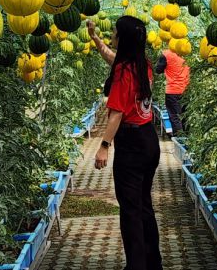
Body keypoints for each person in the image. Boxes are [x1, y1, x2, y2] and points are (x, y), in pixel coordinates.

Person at [88, 17, 163, 270]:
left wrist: (104, 146)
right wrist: (96, 40)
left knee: (130, 211)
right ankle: (153, 264)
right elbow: (113, 58)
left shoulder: (125, 71)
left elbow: (117, 113)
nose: (112, 34)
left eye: (114, 32)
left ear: (124, 39)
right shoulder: (143, 65)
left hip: (131, 145)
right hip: (149, 141)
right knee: (143, 204)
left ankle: (137, 266)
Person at [154, 48, 190, 135]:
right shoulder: (186, 51)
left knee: (174, 116)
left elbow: (158, 70)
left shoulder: (166, 54)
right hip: (186, 90)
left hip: (173, 91)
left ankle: (180, 138)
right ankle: (188, 140)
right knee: (185, 116)